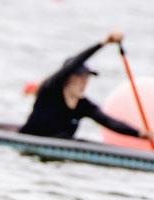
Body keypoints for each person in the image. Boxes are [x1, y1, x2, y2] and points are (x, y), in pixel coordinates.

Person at [19, 32, 154, 141]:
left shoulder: (83, 105)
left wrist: (140, 133)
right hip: (30, 142)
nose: (84, 83)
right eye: (79, 78)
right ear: (67, 79)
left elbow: (109, 122)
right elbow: (76, 62)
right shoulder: (50, 90)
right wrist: (103, 43)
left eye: (86, 78)